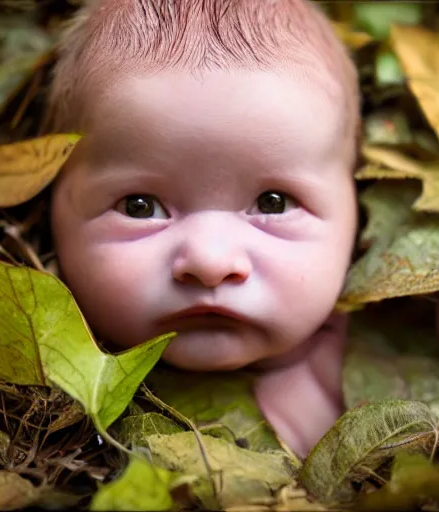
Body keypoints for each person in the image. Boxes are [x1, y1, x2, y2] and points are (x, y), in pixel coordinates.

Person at [46, 0, 363, 458]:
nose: (209, 262)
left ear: (355, 205)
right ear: (51, 202)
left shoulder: (390, 346)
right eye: (139, 207)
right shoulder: (43, 401)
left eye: (273, 203)